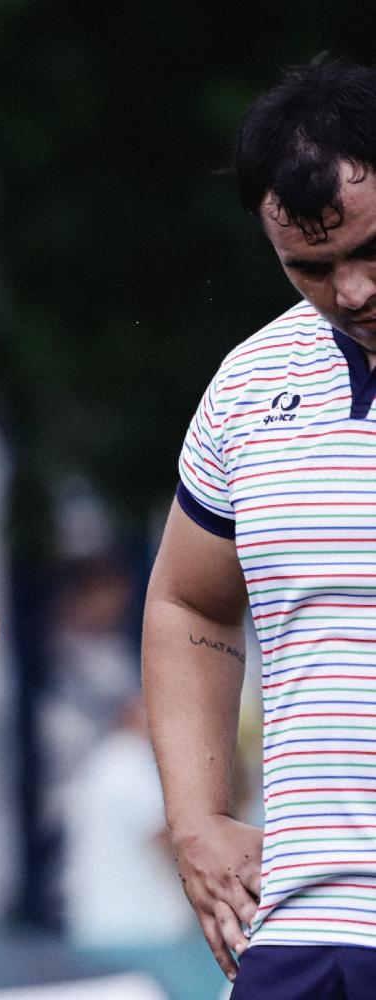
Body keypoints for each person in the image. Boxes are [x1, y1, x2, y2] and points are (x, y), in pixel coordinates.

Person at [144, 57, 376, 996]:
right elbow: (186, 600)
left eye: (374, 250)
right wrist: (197, 817)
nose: (352, 291)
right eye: (312, 267)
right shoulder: (249, 388)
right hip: (306, 926)